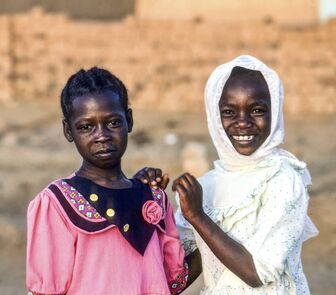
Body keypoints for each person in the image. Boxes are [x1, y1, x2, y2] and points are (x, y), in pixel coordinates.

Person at [135, 55, 318, 294]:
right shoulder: (207, 186)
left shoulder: (282, 179)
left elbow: (258, 273)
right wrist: (147, 201)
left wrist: (198, 216)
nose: (243, 122)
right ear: (215, 116)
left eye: (257, 110)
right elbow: (177, 273)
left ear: (275, 113)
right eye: (230, 112)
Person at [26, 67, 193, 295]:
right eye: (86, 127)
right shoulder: (56, 203)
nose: (102, 135)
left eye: (113, 122)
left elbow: (172, 282)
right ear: (68, 131)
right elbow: (47, 290)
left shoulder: (154, 198)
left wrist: (205, 222)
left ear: (129, 120)